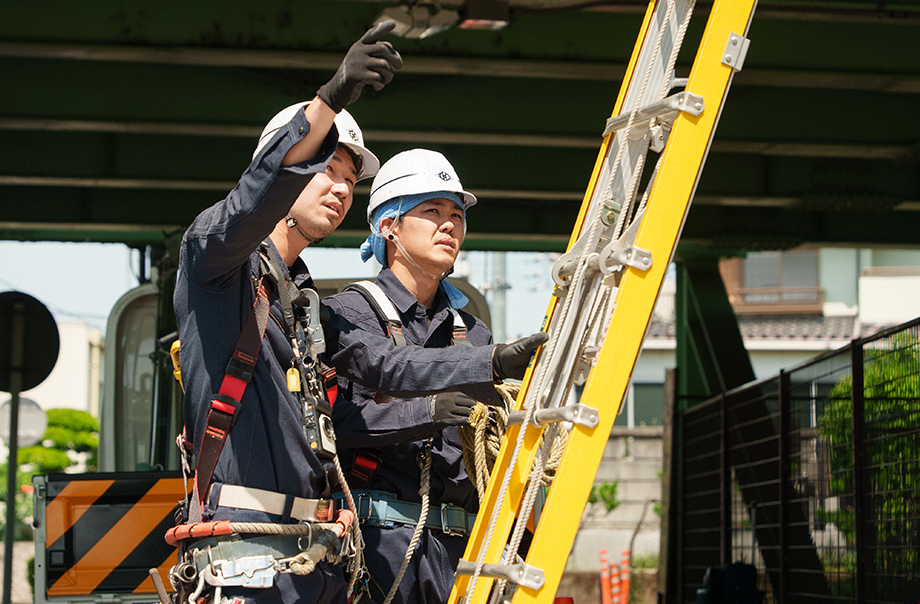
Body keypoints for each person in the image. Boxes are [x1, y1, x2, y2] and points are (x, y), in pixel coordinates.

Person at [172, 20, 545, 604]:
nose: (342, 189)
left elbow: (385, 368)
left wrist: (495, 360)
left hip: (313, 557)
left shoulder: (303, 304)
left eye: (350, 179)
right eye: (327, 170)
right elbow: (252, 195)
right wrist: (329, 100)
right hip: (248, 559)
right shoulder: (215, 265)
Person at [323, 149, 547, 604]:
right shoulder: (347, 316)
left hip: (463, 548)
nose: (449, 225)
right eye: (431, 212)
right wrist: (426, 412)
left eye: (456, 215)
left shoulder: (473, 332)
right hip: (381, 545)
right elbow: (334, 423)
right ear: (389, 226)